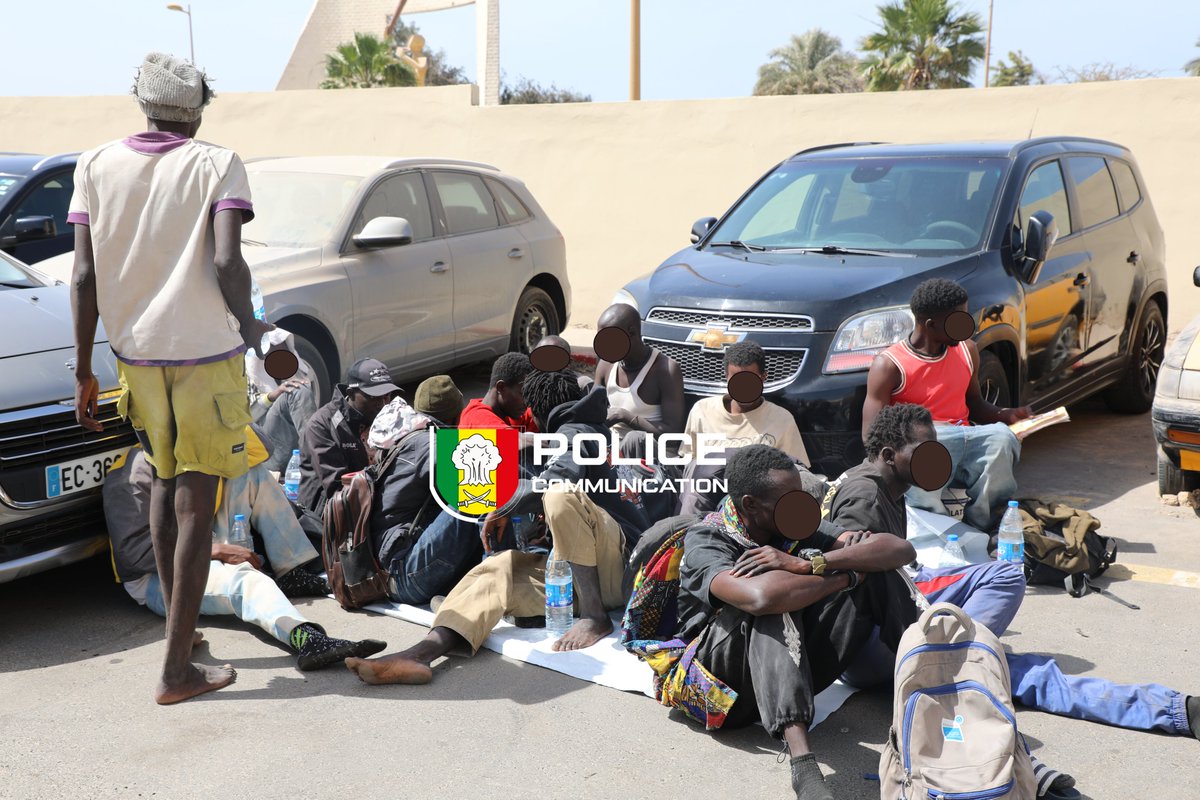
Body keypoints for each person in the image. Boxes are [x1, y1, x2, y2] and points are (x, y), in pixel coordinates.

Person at [68, 53, 272, 704]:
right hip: (206, 354)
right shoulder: (217, 163)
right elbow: (228, 262)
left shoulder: (94, 165)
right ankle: (177, 672)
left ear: (143, 102)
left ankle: (180, 643)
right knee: (195, 506)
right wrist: (256, 330)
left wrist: (82, 369)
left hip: (135, 357)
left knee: (160, 487)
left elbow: (81, 277)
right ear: (200, 106)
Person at [830, 403, 1200, 753]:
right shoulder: (865, 496)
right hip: (875, 645)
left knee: (1002, 602)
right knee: (1016, 662)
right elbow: (853, 572)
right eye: (924, 449)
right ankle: (955, 657)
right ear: (890, 454)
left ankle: (957, 654)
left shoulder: (889, 485)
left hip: (893, 617)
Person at [344, 369, 655, 685]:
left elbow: (560, 479)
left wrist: (508, 504)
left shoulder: (578, 431)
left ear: (544, 412)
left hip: (622, 568)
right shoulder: (597, 430)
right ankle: (418, 655)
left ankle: (594, 618)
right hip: (588, 574)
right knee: (496, 570)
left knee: (557, 493)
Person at [673, 445, 920, 800]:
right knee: (776, 598)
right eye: (788, 502)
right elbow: (760, 599)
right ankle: (803, 767)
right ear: (750, 506)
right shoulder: (707, 539)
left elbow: (899, 550)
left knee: (877, 571)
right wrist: (844, 578)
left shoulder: (794, 525)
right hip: (723, 688)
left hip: (785, 670)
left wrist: (812, 564)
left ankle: (944, 684)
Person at [105, 430, 386, 672]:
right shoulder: (130, 476)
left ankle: (290, 570)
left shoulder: (195, 452)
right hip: (158, 577)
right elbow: (134, 556)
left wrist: (230, 410)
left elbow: (262, 447)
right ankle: (306, 639)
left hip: (202, 541)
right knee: (245, 579)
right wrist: (216, 551)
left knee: (253, 473)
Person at [863, 278, 1031, 530]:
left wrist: (1006, 415)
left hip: (965, 436)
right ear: (930, 325)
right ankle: (934, 530)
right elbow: (871, 434)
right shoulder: (889, 365)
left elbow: (974, 403)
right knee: (926, 449)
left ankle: (986, 526)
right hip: (927, 443)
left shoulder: (967, 350)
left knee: (1001, 437)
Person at [366, 375, 485, 605]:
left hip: (394, 569)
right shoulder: (431, 444)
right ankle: (494, 585)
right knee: (477, 497)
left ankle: (461, 586)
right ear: (456, 415)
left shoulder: (405, 436)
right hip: (404, 577)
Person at [297, 357, 400, 536]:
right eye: (374, 396)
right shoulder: (321, 425)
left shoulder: (387, 418)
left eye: (387, 396)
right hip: (327, 519)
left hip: (370, 504)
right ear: (352, 393)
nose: (382, 404)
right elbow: (338, 488)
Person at [679, 341, 810, 465]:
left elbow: (797, 472)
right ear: (726, 377)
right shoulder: (702, 412)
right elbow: (689, 466)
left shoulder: (782, 420)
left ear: (763, 377)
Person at [593, 303, 685, 457]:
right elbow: (593, 414)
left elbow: (672, 436)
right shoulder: (605, 365)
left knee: (634, 439)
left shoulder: (666, 370)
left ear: (632, 333)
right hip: (614, 451)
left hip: (651, 457)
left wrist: (624, 416)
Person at [246, 326, 317, 473]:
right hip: (266, 450)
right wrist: (274, 395)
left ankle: (314, 456)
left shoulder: (293, 372)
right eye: (274, 350)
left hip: (291, 450)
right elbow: (248, 418)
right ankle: (317, 459)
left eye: (283, 347)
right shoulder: (249, 377)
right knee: (296, 392)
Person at [459, 352, 538, 433]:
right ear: (501, 387)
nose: (528, 403)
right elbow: (513, 440)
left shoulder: (508, 411)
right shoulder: (478, 420)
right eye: (523, 394)